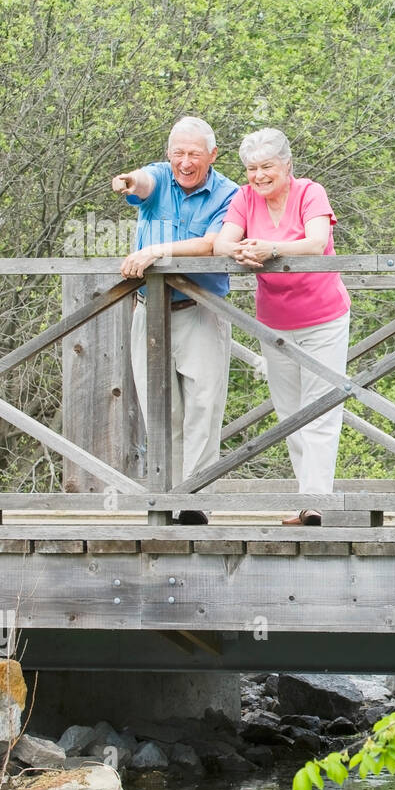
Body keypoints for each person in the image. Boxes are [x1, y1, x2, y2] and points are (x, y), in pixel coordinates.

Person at [213, 128, 350, 525]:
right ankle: (306, 499)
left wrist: (271, 248)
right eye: (252, 168)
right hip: (274, 322)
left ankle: (315, 504)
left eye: (266, 166)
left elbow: (316, 241)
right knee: (290, 413)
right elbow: (222, 242)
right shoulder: (244, 198)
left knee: (320, 409)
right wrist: (239, 249)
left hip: (324, 317)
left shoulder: (310, 192)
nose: (258, 175)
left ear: (286, 165)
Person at [113, 116, 239, 524]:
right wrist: (128, 180)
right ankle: (165, 497)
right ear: (168, 155)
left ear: (212, 156)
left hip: (202, 309)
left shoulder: (229, 194)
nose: (185, 162)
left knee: (204, 407)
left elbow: (212, 244)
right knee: (160, 410)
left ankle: (194, 501)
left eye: (194, 155)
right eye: (178, 153)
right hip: (150, 313)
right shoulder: (158, 178)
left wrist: (156, 252)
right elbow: (142, 182)